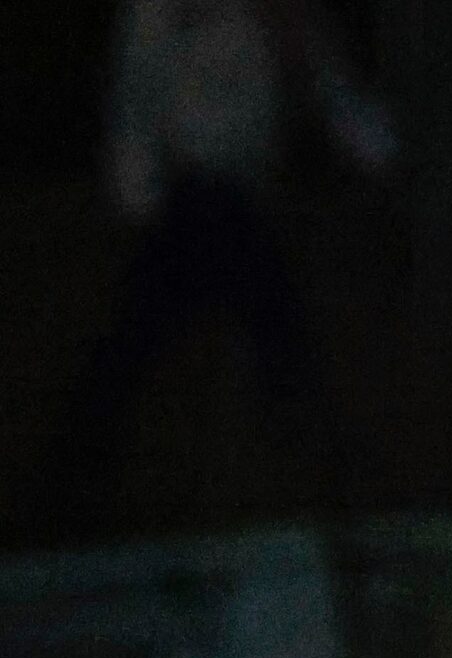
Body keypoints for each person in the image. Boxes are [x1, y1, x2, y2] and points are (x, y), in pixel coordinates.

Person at [50, 0, 396, 526]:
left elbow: (336, 99)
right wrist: (136, 201)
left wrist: (378, 152)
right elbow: (135, 101)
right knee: (150, 346)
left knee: (242, 340)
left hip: (238, 204)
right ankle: (77, 484)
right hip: (187, 206)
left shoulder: (278, 17)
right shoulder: (159, 13)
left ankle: (309, 477)